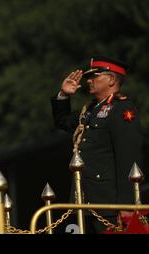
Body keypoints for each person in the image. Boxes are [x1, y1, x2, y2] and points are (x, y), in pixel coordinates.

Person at [51, 56, 143, 233]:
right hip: (84, 201)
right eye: (88, 77)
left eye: (95, 76)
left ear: (111, 79)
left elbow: (128, 159)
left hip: (108, 205)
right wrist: (63, 95)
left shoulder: (122, 109)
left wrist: (126, 205)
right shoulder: (92, 109)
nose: (89, 81)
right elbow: (63, 121)